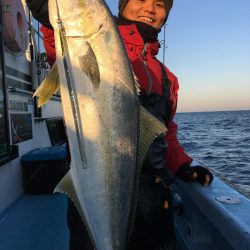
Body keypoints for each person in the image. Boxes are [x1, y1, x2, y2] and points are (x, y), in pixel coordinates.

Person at [26, 0, 214, 249]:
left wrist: (182, 166)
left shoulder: (168, 79)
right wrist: (47, 14)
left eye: (159, 4)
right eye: (141, 0)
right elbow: (59, 41)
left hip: (154, 203)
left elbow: (165, 133)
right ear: (121, 6)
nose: (150, 8)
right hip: (95, 195)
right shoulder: (95, 38)